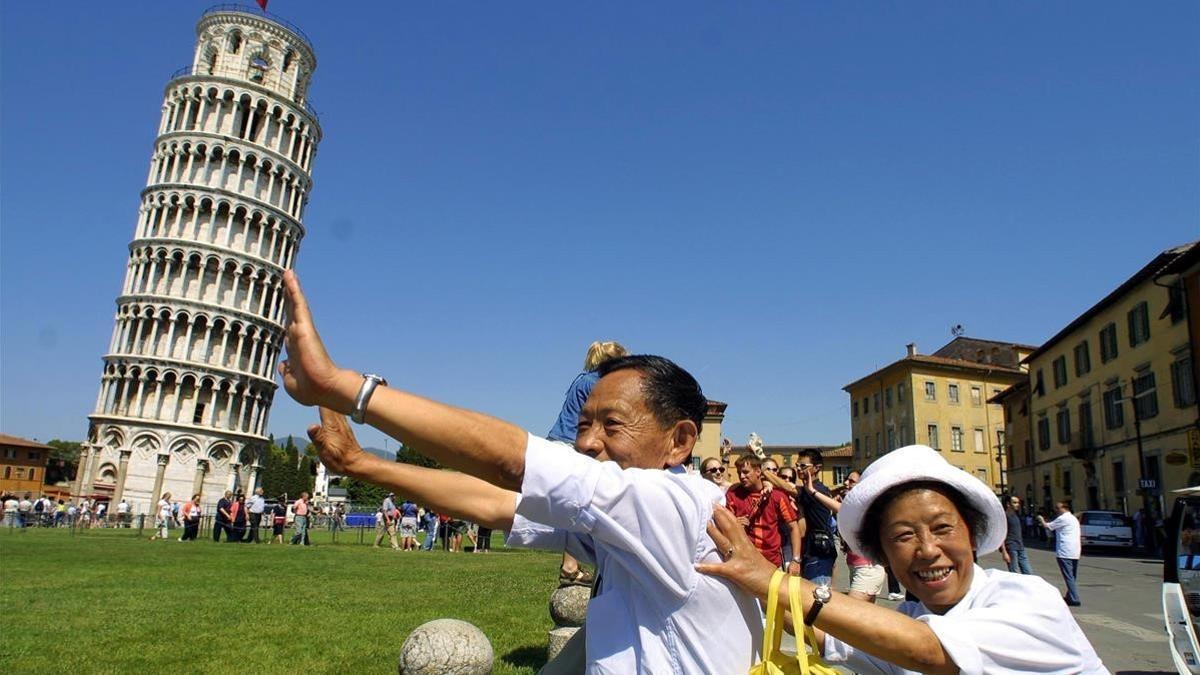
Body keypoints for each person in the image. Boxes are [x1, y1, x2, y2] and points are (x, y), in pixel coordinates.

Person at [277, 270, 760, 674]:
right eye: (583, 424)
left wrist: (343, 388)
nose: (587, 442)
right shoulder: (625, 522)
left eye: (612, 425)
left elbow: (510, 461)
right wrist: (365, 466)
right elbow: (492, 501)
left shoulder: (676, 505)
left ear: (679, 441)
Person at [698, 444, 1107, 673]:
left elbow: (928, 651)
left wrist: (773, 580)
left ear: (971, 530)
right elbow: (828, 636)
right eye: (903, 536)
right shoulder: (908, 619)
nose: (928, 549)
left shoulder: (1028, 598)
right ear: (883, 554)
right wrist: (745, 580)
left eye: (942, 528)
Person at [547, 339, 629, 587]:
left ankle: (572, 564)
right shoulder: (598, 384)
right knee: (583, 502)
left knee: (580, 502)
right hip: (573, 444)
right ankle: (571, 566)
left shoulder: (584, 378)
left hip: (562, 441)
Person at [725, 455, 801, 572]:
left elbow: (794, 527)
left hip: (773, 563)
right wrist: (734, 525)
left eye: (745, 472)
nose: (741, 476)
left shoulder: (777, 496)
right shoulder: (733, 495)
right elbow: (725, 527)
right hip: (745, 562)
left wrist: (795, 560)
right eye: (739, 472)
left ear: (758, 471)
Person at [795, 449, 839, 585]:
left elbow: (788, 487)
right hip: (813, 552)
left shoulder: (816, 490)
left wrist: (764, 470)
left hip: (819, 553)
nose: (798, 469)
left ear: (817, 468)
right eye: (797, 465)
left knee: (818, 597)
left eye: (803, 466)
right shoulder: (809, 490)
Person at [1038, 501, 1082, 607]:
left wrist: (1041, 519)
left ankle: (1075, 598)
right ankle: (1070, 596)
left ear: (1064, 508)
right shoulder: (1073, 518)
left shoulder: (1063, 518)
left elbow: (1048, 526)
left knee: (1068, 576)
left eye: (1057, 508)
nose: (1056, 510)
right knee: (1072, 576)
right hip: (1075, 550)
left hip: (1065, 551)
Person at [1001, 495, 1033, 575]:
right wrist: (1004, 552)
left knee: (1028, 572)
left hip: (1020, 546)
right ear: (1008, 504)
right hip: (1011, 547)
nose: (1017, 504)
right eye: (1015, 503)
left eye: (1018, 503)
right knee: (1014, 573)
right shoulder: (1005, 516)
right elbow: (1001, 535)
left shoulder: (1016, 515)